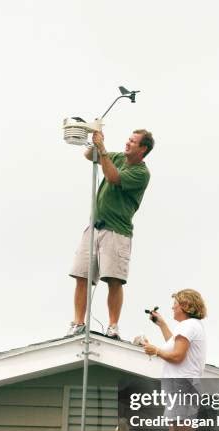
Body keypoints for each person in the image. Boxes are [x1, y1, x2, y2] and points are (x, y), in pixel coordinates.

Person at [68, 128, 154, 339]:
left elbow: (114, 177)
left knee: (113, 280)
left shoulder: (142, 173)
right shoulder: (116, 157)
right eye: (128, 139)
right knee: (82, 275)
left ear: (142, 149)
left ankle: (113, 326)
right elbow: (89, 156)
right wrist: (94, 142)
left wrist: (103, 150)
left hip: (117, 232)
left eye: (133, 142)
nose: (127, 143)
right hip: (94, 227)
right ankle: (78, 323)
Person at [143, 289, 207, 431]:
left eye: (175, 304)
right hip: (176, 388)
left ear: (185, 306)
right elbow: (173, 344)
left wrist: (155, 351)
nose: (172, 307)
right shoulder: (187, 326)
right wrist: (161, 324)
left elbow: (177, 355)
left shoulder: (189, 326)